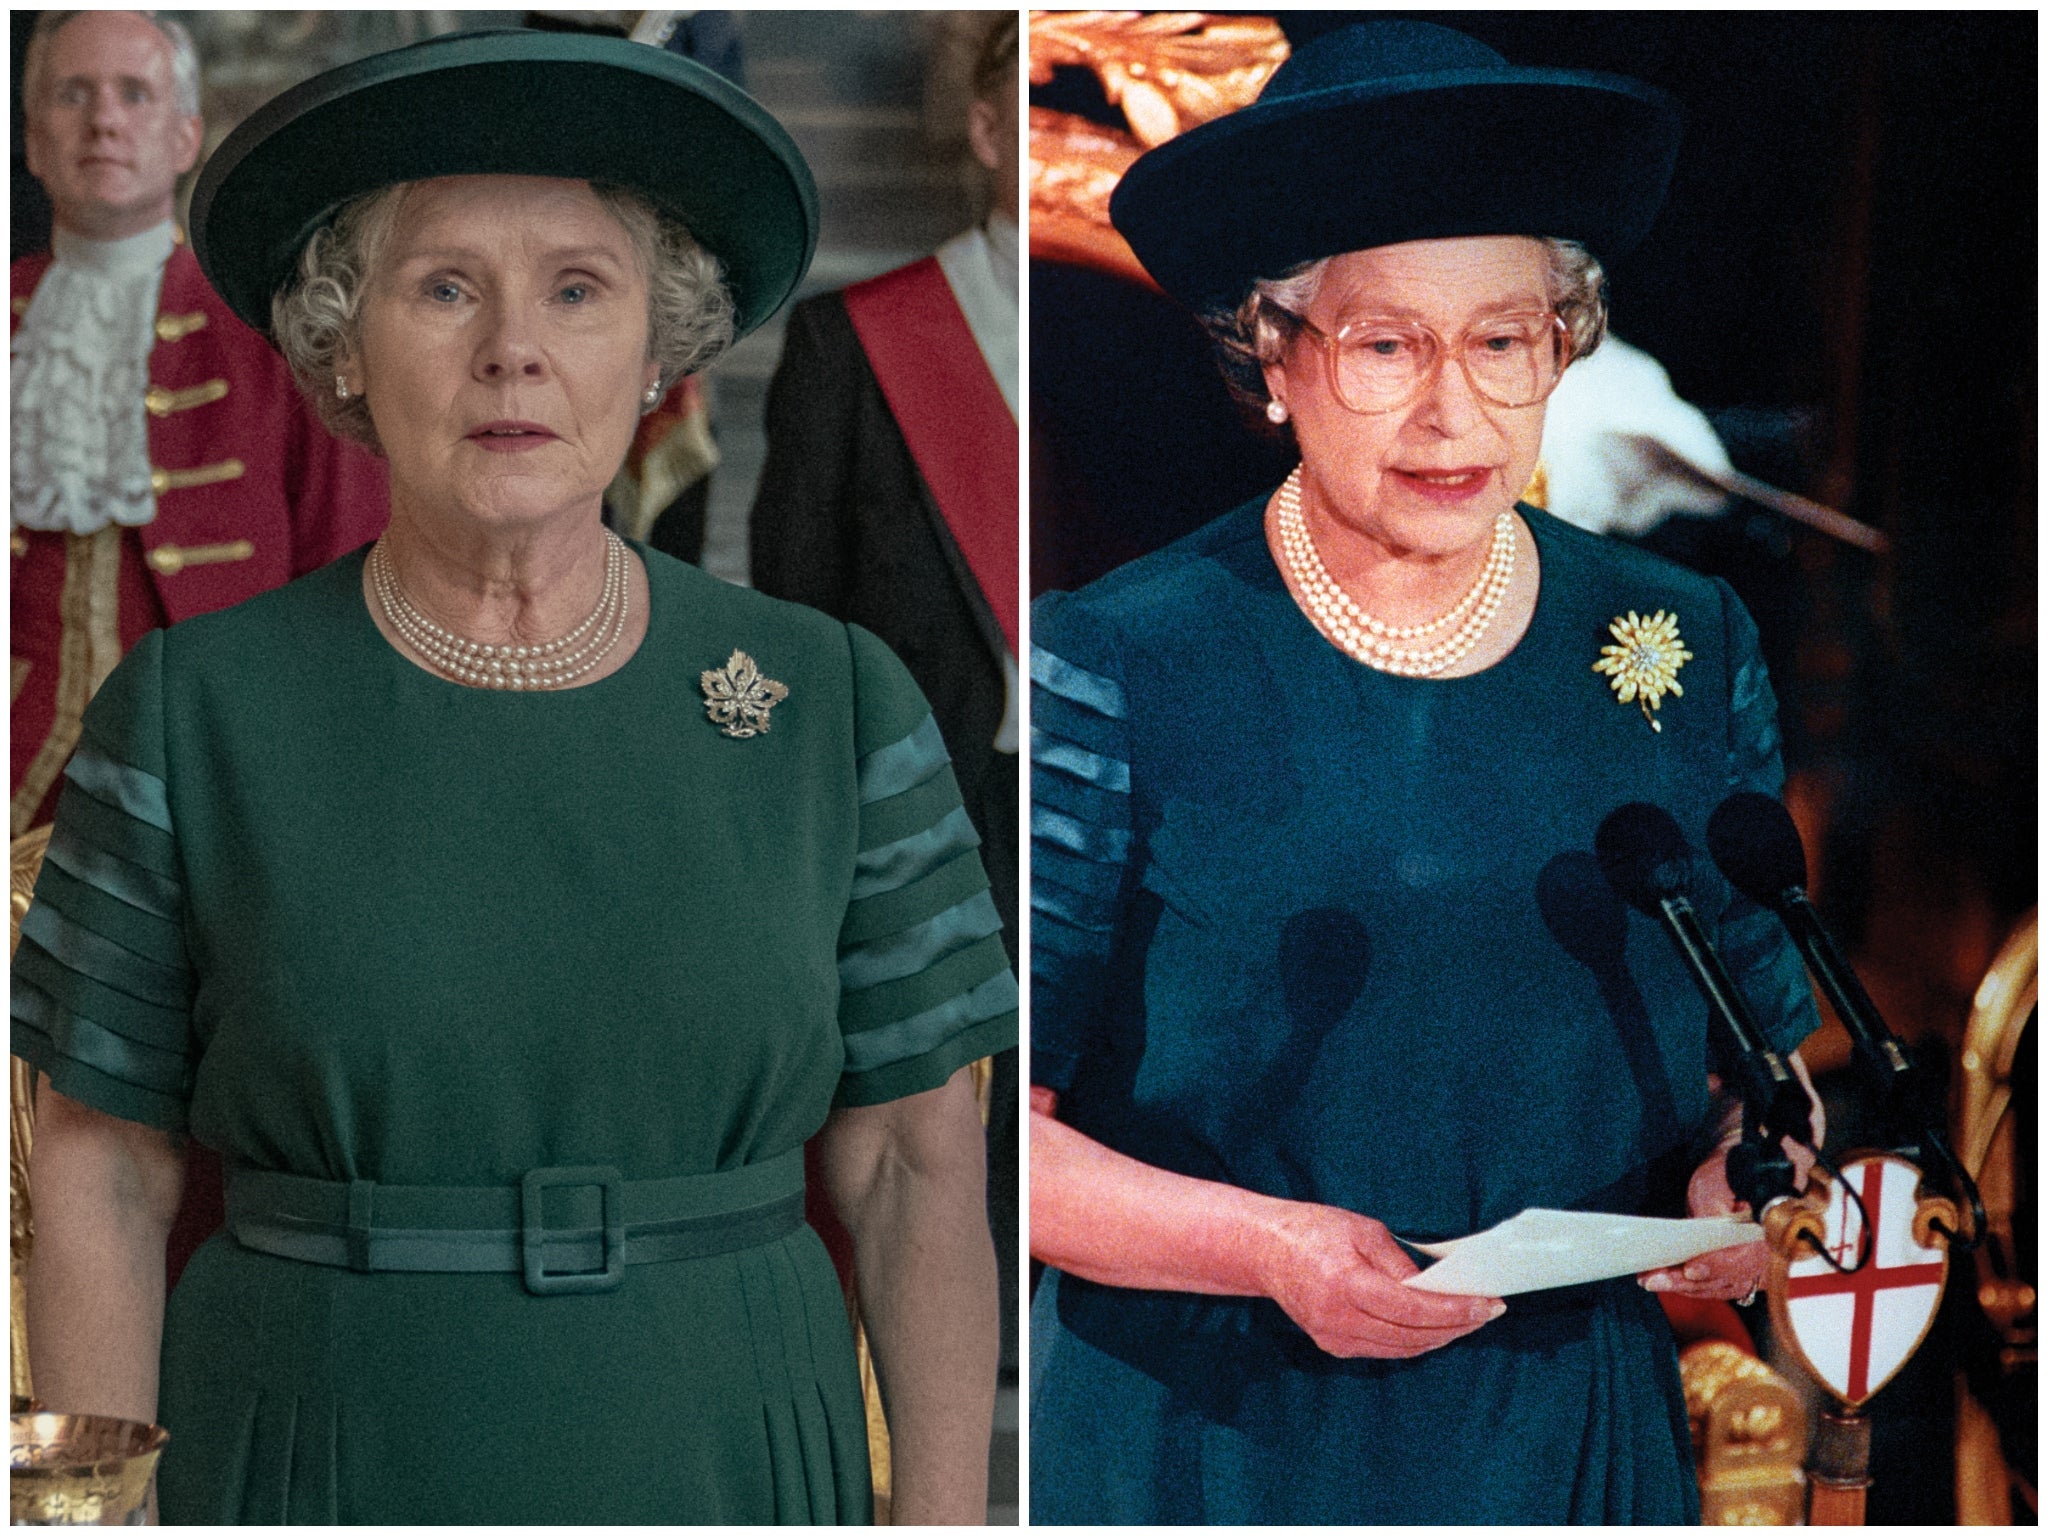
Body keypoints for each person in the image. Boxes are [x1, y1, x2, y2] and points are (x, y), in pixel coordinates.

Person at [12, 29, 1012, 1525]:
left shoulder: (839, 708)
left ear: (660, 348)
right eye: (443, 287)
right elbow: (99, 1175)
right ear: (342, 345)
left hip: (738, 1460)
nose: (512, 350)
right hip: (304, 1462)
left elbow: (918, 1179)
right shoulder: (186, 712)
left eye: (577, 287)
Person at [1028, 22, 1823, 1523]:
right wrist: (1267, 1250)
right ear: (1274, 356)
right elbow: (1002, 1135)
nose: (1454, 412)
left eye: (1505, 340)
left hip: (1567, 1432)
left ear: (1559, 347)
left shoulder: (1681, 642)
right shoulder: (1127, 660)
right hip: (1210, 1432)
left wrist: (1741, 1194)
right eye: (1389, 343)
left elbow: (1765, 1074)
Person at [749, 12, 1020, 1371]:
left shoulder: (1172, 351)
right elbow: (796, 622)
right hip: (933, 809)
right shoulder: (861, 343)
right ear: (985, 128)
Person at [11, 10, 389, 840]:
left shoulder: (269, 328)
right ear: (33, 142)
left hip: (209, 751)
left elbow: (350, 551)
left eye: (134, 94)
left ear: (186, 137)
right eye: (73, 94)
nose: (104, 119)